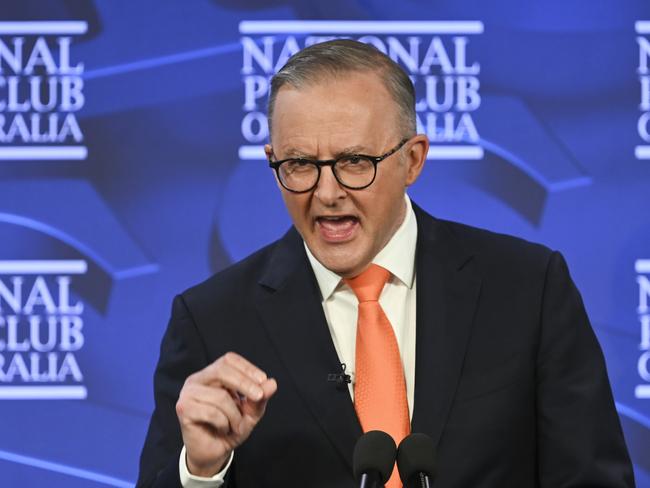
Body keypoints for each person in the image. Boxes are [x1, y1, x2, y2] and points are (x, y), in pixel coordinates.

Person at [137, 39, 635, 487]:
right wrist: (199, 473)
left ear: (412, 160)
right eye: (300, 165)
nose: (326, 194)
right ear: (273, 160)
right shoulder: (213, 321)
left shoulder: (528, 290)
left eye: (355, 161)